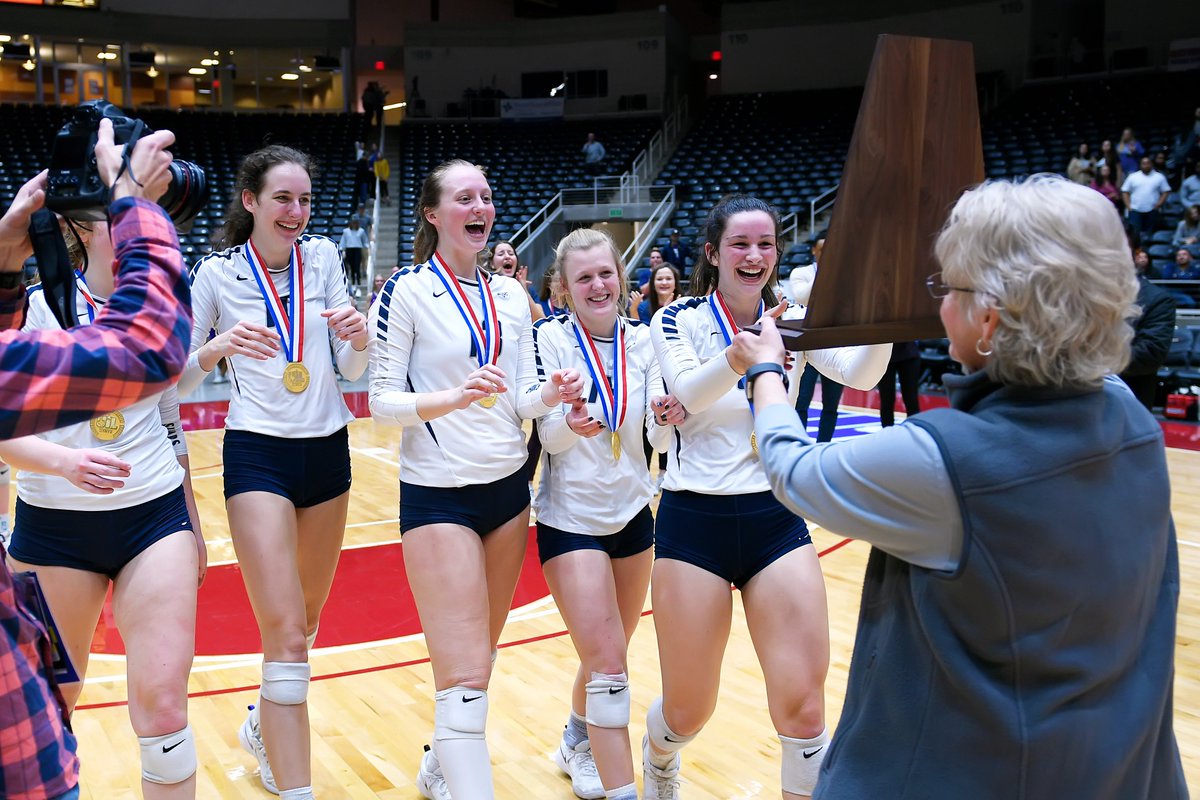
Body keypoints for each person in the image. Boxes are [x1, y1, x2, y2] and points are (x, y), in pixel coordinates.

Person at [742, 174, 1186, 799]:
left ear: (989, 318)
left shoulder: (946, 462)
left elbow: (793, 471)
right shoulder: (1136, 425)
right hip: (1118, 770)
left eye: (946, 287)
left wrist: (763, 370)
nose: (938, 302)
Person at [644, 194, 889, 800]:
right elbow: (689, 393)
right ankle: (659, 756)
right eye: (740, 244)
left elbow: (862, 374)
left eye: (766, 244)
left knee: (804, 710)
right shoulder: (675, 320)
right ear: (712, 253)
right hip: (693, 522)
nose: (754, 255)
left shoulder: (794, 318)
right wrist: (745, 352)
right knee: (689, 710)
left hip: (774, 518)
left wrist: (885, 319)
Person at [367, 159, 583, 800]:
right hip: (437, 493)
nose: (480, 206)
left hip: (508, 494)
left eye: (487, 196)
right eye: (465, 198)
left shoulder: (513, 296)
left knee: (478, 664)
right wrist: (451, 397)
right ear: (434, 215)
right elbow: (379, 403)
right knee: (462, 672)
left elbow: (516, 399)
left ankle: (441, 762)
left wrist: (551, 394)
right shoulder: (404, 291)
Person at [0, 115, 188, 800]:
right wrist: (60, 462)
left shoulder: (154, 285)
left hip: (151, 513)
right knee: (51, 713)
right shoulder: (43, 300)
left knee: (166, 718)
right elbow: (148, 348)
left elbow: (168, 408)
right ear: (81, 224)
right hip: (54, 523)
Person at [180, 144, 369, 800]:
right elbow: (173, 376)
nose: (296, 211)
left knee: (305, 623)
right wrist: (217, 347)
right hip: (257, 452)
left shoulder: (323, 259)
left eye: (305, 200)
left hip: (327, 452)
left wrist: (359, 335)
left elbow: (348, 370)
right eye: (282, 198)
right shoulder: (215, 274)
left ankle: (262, 723)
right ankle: (297, 789)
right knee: (284, 630)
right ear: (251, 201)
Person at [531, 228, 681, 800]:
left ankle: (575, 736)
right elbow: (543, 431)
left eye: (605, 273)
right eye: (583, 277)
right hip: (570, 520)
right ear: (565, 289)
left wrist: (668, 417)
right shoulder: (547, 338)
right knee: (609, 664)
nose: (597, 285)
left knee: (608, 649)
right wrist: (568, 424)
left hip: (635, 513)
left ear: (621, 278)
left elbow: (659, 439)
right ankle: (620, 785)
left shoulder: (644, 340)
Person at [791, 239, 844, 443]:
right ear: (814, 250)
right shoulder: (800, 273)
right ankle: (799, 445)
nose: (827, 253)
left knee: (831, 405)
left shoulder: (844, 276)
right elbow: (803, 298)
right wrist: (827, 271)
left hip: (835, 344)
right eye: (823, 249)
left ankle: (823, 447)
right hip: (807, 345)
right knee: (801, 401)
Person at [1120, 246, 1176, 410]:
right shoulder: (1079, 291)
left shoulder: (1157, 299)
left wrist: (1087, 359)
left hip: (1129, 407)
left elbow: (1149, 354)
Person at [1121, 156, 1171, 238]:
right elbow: (1125, 191)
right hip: (1135, 210)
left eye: (1148, 163)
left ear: (1151, 164)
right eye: (1144, 164)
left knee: (1150, 235)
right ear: (1140, 165)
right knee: (1135, 234)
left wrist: (1159, 204)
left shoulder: (1159, 177)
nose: (1146, 165)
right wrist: (1128, 206)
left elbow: (1166, 191)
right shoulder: (1133, 177)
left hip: (1152, 210)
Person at [877, 340, 922, 426]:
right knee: (886, 399)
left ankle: (915, 432)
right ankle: (887, 433)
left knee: (911, 399)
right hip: (884, 355)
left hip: (909, 354)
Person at [339, 217, 369, 286]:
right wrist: (342, 248)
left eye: (355, 222)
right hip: (349, 249)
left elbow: (364, 240)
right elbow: (343, 240)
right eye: (353, 222)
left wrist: (366, 246)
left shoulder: (361, 231)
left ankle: (358, 281)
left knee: (357, 265)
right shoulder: (346, 231)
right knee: (351, 265)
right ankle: (352, 281)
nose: (354, 224)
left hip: (357, 249)